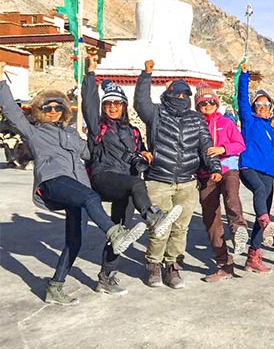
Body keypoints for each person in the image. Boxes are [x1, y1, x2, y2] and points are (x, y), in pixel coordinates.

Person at [0, 62, 145, 306]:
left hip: (76, 187)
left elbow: (90, 153)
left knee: (75, 240)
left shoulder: (70, 134)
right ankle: (114, 232)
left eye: (59, 107)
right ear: (39, 110)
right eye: (48, 107)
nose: (54, 110)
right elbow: (13, 114)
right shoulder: (34, 131)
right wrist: (1, 84)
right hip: (53, 182)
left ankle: (55, 286)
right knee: (91, 198)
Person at [82, 55, 183, 295]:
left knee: (121, 232)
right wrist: (90, 75)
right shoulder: (99, 127)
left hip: (125, 183)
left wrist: (145, 156)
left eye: (118, 103)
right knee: (137, 184)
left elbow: (136, 155)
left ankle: (106, 276)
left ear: (124, 106)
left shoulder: (133, 131)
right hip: (104, 176)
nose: (113, 107)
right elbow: (88, 103)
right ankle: (152, 216)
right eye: (109, 104)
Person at [134, 60, 222, 289]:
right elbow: (140, 102)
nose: (181, 98)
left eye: (185, 95)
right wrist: (146, 75)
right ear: (168, 94)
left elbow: (206, 145)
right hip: (159, 180)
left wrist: (215, 168)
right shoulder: (156, 114)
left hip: (186, 182)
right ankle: (154, 264)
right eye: (177, 94)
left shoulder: (196, 119)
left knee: (180, 228)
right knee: (159, 226)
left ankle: (173, 266)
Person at [194, 83, 248, 282]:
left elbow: (239, 144)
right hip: (205, 174)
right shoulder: (194, 125)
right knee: (211, 218)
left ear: (216, 103)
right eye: (203, 103)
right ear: (197, 106)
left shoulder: (226, 123)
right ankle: (223, 263)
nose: (208, 105)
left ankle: (238, 231)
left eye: (211, 101)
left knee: (232, 198)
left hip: (227, 168)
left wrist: (222, 149)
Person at [237, 61, 274, 273]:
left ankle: (253, 256)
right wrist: (244, 77)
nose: (262, 108)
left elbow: (273, 157)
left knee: (265, 212)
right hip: (249, 167)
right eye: (258, 105)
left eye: (266, 105)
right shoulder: (249, 121)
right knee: (260, 194)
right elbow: (241, 99)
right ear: (254, 108)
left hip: (268, 173)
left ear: (270, 109)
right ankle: (264, 221)